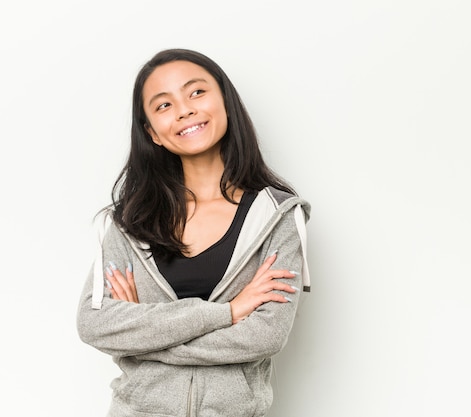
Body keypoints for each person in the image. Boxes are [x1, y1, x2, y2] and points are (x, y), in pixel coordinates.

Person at [76, 48, 311, 417]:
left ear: (226, 103)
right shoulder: (129, 222)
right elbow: (94, 323)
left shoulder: (277, 216)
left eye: (197, 92)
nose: (185, 109)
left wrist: (142, 334)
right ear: (152, 133)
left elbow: (266, 335)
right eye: (163, 105)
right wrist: (229, 313)